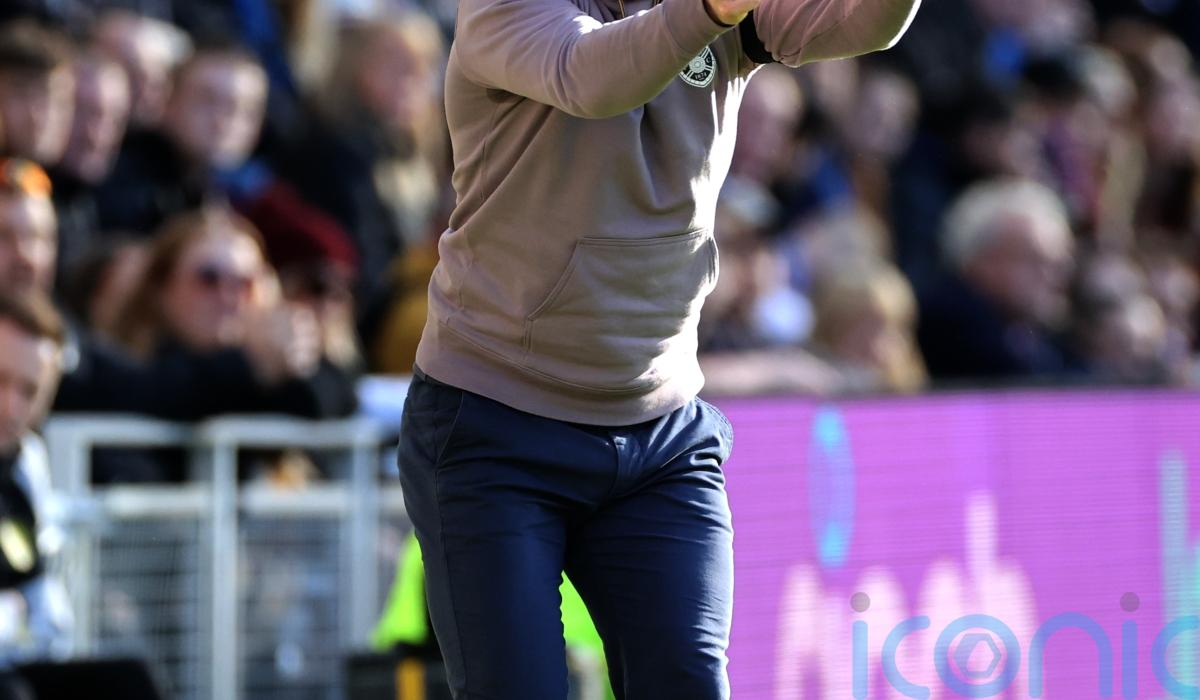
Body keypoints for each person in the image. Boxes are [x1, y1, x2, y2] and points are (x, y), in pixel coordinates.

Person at [397, 0, 922, 698]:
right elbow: (588, 75)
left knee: (689, 683)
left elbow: (863, 23)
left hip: (661, 437)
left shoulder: (719, 19)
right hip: (495, 424)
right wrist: (709, 10)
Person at [0, 293, 72, 700]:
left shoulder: (26, 466)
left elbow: (50, 614)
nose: (11, 407)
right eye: (0, 380)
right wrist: (13, 615)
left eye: (29, 391)